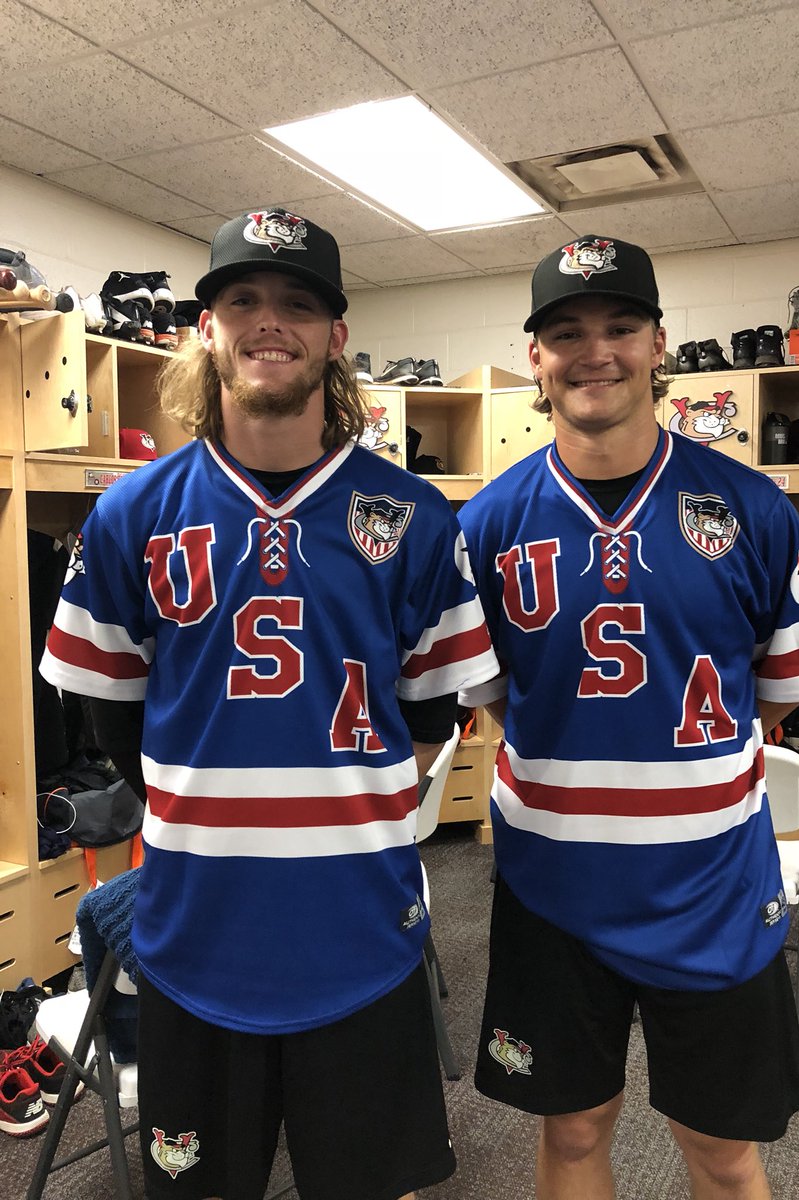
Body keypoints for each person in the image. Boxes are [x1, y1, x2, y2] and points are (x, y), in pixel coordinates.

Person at [40, 207, 497, 1200]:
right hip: (195, 934)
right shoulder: (132, 513)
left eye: (298, 303)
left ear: (336, 336)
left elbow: (431, 714)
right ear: (206, 328)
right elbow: (114, 719)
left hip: (363, 931)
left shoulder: (413, 517)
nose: (268, 323)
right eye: (241, 300)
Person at [457, 234, 799, 1200]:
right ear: (535, 356)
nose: (597, 351)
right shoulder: (486, 524)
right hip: (553, 889)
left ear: (659, 342)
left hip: (709, 886)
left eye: (620, 326)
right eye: (568, 331)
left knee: (720, 1148)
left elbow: (777, 697)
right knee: (576, 1134)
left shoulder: (752, 507)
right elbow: (501, 697)